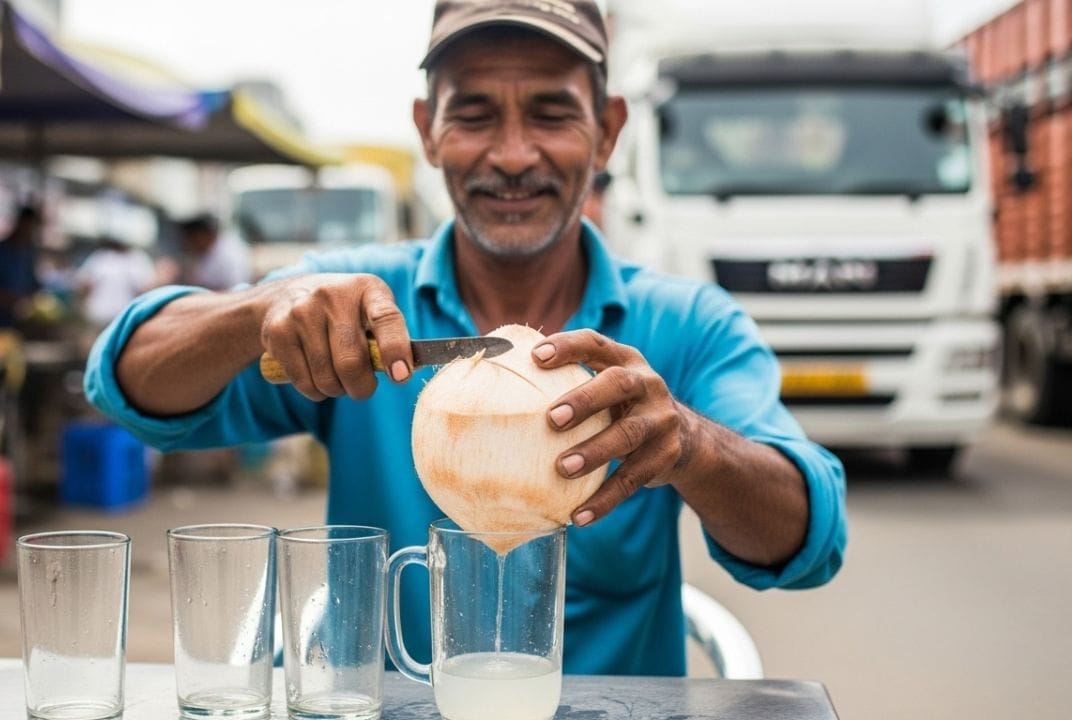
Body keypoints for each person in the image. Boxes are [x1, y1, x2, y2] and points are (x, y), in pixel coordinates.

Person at [87, 0, 846, 676]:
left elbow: (808, 541)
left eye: (551, 114)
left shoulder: (687, 326)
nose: (513, 156)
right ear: (427, 129)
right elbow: (125, 386)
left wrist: (690, 446)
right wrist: (257, 310)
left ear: (608, 130)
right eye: (475, 115)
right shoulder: (353, 298)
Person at [74, 237, 158, 327]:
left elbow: (147, 286)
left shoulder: (138, 258)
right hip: (99, 313)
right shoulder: (101, 256)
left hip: (124, 315)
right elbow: (83, 282)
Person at [177, 214, 252, 291]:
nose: (188, 243)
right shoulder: (201, 251)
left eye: (191, 238)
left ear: (202, 234)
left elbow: (236, 288)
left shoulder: (229, 253)